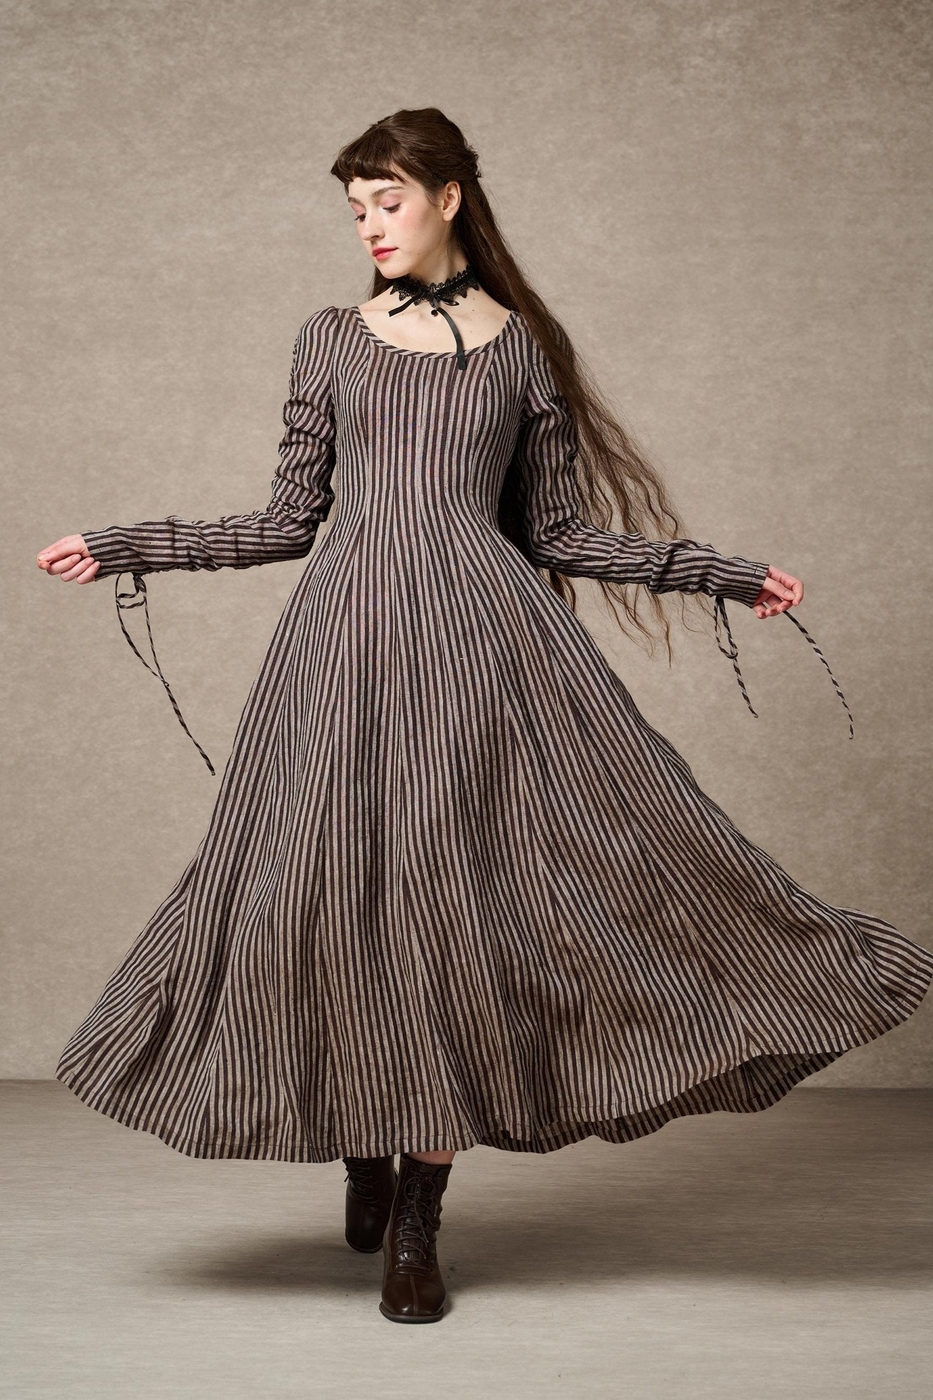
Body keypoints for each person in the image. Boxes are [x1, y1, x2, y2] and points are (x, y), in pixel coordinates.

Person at [36, 107, 933, 1326]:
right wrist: (126, 542)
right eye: (354, 209)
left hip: (485, 659)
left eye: (387, 201)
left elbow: (560, 532)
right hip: (343, 654)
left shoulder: (520, 352)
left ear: (449, 196)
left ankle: (419, 1209)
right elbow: (286, 520)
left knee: (455, 908)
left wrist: (718, 572)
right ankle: (362, 1139)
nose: (369, 225)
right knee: (326, 895)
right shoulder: (329, 338)